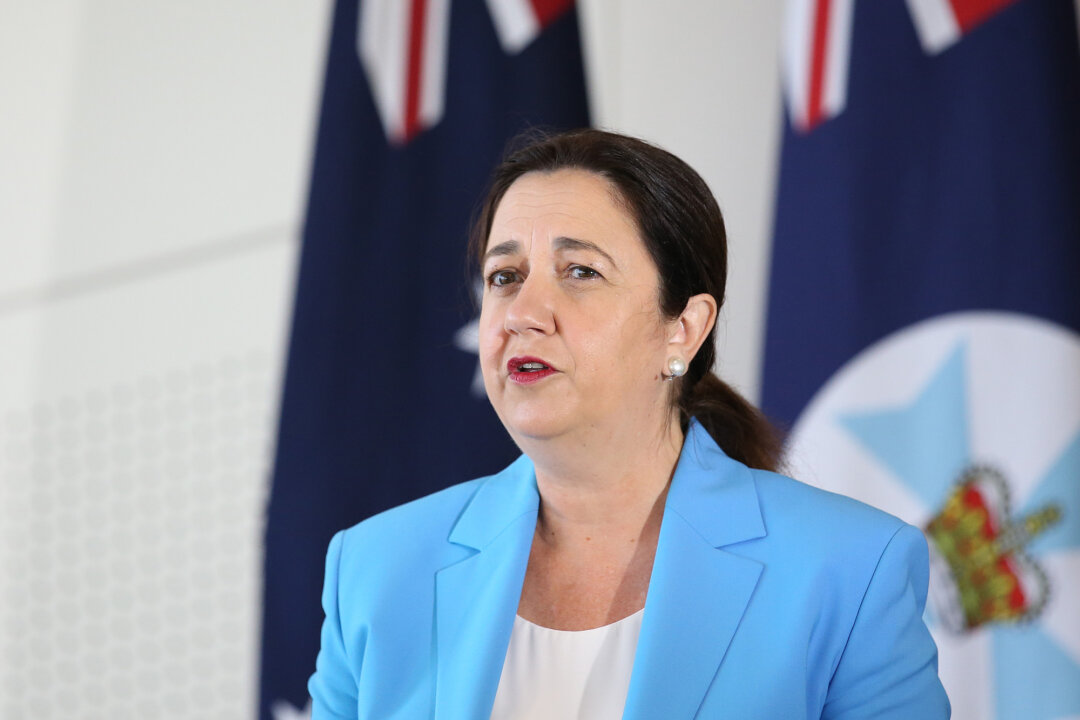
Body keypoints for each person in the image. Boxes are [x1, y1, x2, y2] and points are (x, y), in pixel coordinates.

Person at [308, 129, 950, 719]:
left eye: (580, 271)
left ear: (684, 328)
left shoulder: (851, 571)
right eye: (505, 277)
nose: (522, 313)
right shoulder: (374, 572)